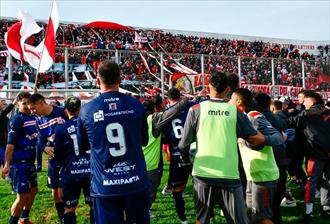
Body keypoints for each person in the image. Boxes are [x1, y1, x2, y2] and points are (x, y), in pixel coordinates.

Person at [178, 72, 265, 224]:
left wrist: (188, 162)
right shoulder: (235, 111)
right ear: (228, 90)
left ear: (208, 87)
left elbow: (183, 144)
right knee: (238, 220)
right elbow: (254, 137)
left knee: (201, 219)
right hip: (229, 174)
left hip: (203, 172)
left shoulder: (196, 109)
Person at [77, 61, 149, 224]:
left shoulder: (88, 109)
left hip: (105, 184)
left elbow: (83, 147)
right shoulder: (136, 105)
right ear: (120, 79)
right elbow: (144, 140)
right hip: (135, 180)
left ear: (97, 80)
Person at [230, 88, 284, 224]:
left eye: (231, 98)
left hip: (264, 176)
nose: (229, 101)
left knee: (261, 217)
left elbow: (278, 136)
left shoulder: (254, 116)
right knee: (252, 216)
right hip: (252, 175)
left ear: (238, 101)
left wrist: (264, 139)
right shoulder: (239, 117)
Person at [288, 91, 330, 222]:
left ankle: (309, 212)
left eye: (305, 100)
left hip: (315, 154)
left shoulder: (307, 114)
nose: (303, 103)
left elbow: (290, 122)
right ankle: (326, 209)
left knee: (311, 183)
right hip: (328, 153)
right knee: (327, 181)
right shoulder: (327, 112)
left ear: (311, 101)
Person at [142, 93, 188, 210]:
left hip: (137, 165)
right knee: (150, 194)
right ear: (154, 109)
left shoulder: (135, 119)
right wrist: (186, 99)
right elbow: (174, 111)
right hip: (150, 166)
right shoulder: (154, 119)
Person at [27, 93, 67, 223]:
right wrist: (44, 147)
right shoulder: (38, 120)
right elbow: (39, 140)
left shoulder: (62, 112)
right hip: (53, 159)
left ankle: (69, 215)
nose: (32, 112)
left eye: (33, 108)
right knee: (55, 191)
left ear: (41, 103)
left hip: (67, 158)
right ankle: (62, 218)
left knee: (64, 191)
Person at [54, 97, 93, 224]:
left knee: (69, 208)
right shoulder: (90, 125)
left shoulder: (60, 129)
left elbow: (58, 156)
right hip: (90, 171)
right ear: (80, 109)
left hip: (71, 172)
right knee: (94, 205)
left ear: (66, 111)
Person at [162, 87, 197, 224]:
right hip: (193, 152)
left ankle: (183, 220)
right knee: (200, 187)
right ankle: (208, 217)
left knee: (177, 189)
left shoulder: (166, 113)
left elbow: (164, 137)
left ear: (168, 98)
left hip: (177, 154)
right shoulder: (190, 107)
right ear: (180, 96)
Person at [2, 92, 38, 224]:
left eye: (29, 103)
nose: (28, 106)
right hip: (18, 164)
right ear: (17, 104)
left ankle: (24, 219)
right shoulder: (17, 120)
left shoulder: (33, 117)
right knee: (22, 195)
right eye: (24, 104)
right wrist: (6, 164)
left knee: (33, 191)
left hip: (30, 162)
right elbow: (10, 145)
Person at [0, 98, 16, 167]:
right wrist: (14, 102)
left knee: (6, 159)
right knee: (4, 159)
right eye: (3, 104)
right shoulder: (2, 114)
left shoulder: (4, 116)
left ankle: (7, 174)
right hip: (1, 142)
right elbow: (6, 111)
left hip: (5, 141)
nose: (5, 105)